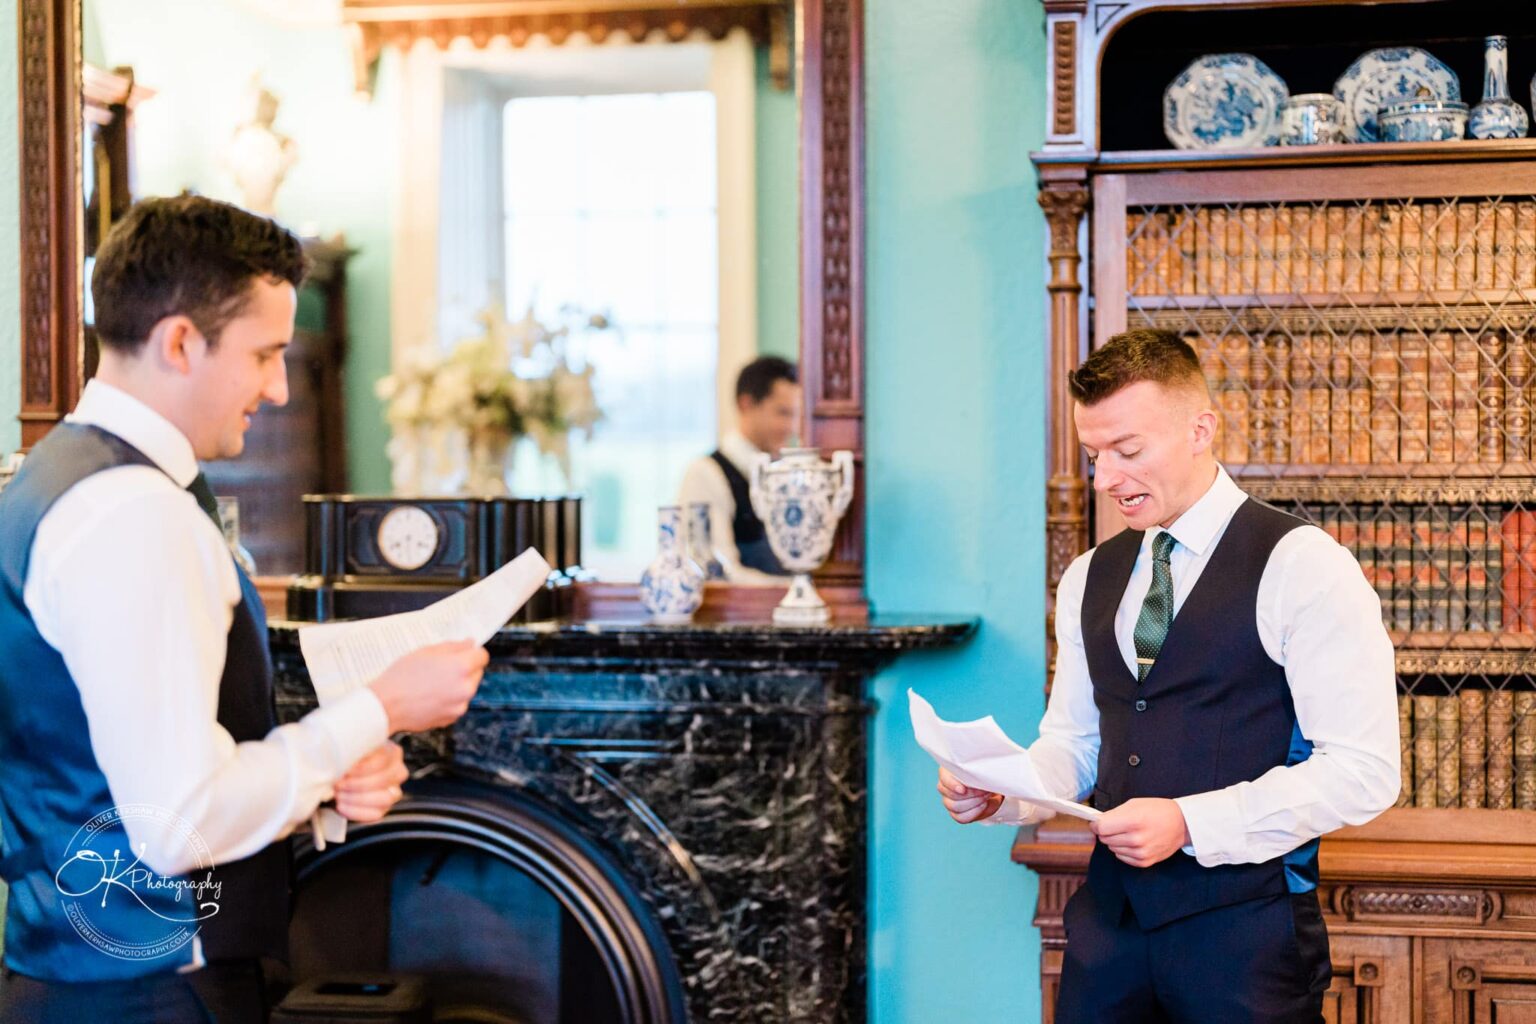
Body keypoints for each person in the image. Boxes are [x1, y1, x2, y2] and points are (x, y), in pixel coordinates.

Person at [0, 196, 491, 1024]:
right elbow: (177, 821)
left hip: (91, 972)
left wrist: (321, 780)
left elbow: (135, 755)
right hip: (143, 993)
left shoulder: (59, 478)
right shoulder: (133, 512)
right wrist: (381, 707)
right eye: (265, 354)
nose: (280, 386)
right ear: (181, 341)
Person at [937, 329, 1400, 1022]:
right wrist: (1007, 793)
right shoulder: (1087, 575)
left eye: (1128, 452)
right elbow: (1077, 742)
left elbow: (1364, 771)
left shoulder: (1303, 565)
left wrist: (1188, 821)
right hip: (1107, 935)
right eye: (1095, 455)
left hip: (1246, 942)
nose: (1105, 479)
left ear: (1200, 429)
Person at [677, 355, 801, 582]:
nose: (791, 427)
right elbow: (718, 573)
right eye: (783, 413)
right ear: (746, 404)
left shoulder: (787, 475)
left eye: (795, 415)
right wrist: (797, 589)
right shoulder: (706, 473)